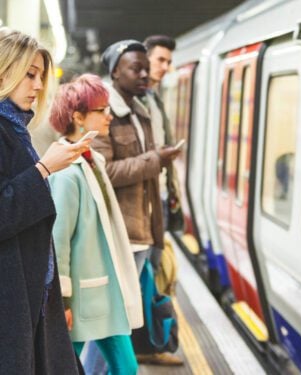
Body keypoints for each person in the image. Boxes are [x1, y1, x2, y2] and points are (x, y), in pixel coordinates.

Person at [0, 28, 90, 374]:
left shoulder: (15, 128)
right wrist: (43, 169)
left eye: (40, 76)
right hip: (10, 295)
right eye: (30, 74)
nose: (38, 86)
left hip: (30, 290)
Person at [92, 39, 182, 366]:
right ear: (115, 71)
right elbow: (105, 171)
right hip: (120, 235)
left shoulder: (140, 111)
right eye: (136, 68)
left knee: (118, 323)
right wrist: (154, 160)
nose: (145, 74)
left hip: (141, 232)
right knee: (111, 324)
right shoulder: (106, 115)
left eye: (147, 68)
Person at [48, 74, 143, 375]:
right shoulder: (66, 174)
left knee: (125, 367)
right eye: (101, 110)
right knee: (65, 366)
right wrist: (62, 300)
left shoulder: (92, 160)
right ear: (78, 117)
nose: (109, 116)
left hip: (104, 291)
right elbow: (58, 239)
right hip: (82, 297)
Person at [143, 34, 184, 236]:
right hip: (145, 199)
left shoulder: (154, 99)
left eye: (168, 62)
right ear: (144, 59)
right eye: (160, 60)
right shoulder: (135, 100)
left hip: (161, 193)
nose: (165, 67)